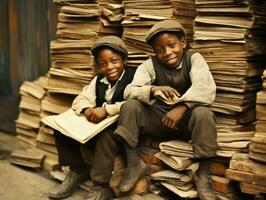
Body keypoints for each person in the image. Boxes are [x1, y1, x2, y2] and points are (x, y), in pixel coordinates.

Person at [112, 20, 218, 200]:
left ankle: (203, 174)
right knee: (130, 106)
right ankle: (133, 164)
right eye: (159, 50)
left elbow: (206, 87)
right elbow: (129, 91)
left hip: (185, 123)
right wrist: (152, 89)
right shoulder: (150, 65)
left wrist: (183, 107)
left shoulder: (194, 59)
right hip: (159, 121)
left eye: (172, 45)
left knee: (204, 114)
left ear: (183, 43)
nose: (167, 53)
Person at [48, 36, 136, 200]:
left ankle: (100, 185)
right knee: (61, 127)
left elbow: (135, 103)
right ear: (98, 66)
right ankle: (77, 170)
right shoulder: (98, 81)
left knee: (106, 135)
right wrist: (87, 109)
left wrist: (106, 110)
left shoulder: (134, 77)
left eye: (114, 61)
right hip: (97, 128)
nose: (110, 67)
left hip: (123, 133)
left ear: (124, 59)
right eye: (103, 64)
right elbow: (79, 100)